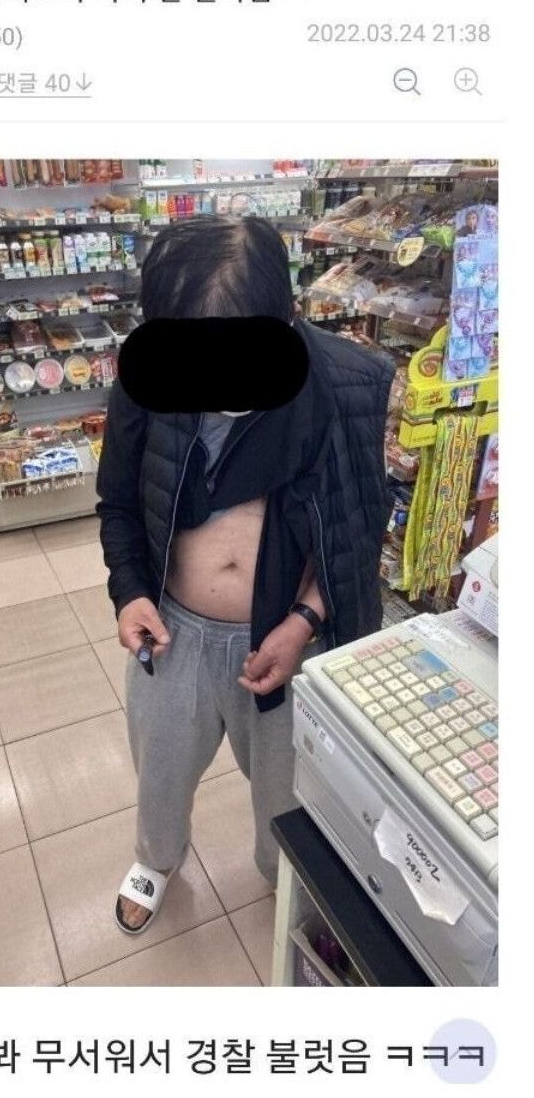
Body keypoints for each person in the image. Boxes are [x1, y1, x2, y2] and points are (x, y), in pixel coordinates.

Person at [96, 216, 394, 934]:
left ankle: (282, 871)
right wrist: (130, 592)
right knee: (161, 765)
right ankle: (156, 858)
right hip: (173, 631)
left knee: (286, 790)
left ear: (284, 319)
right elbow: (119, 501)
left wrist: (307, 620)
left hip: (286, 638)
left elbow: (357, 527)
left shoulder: (347, 384)